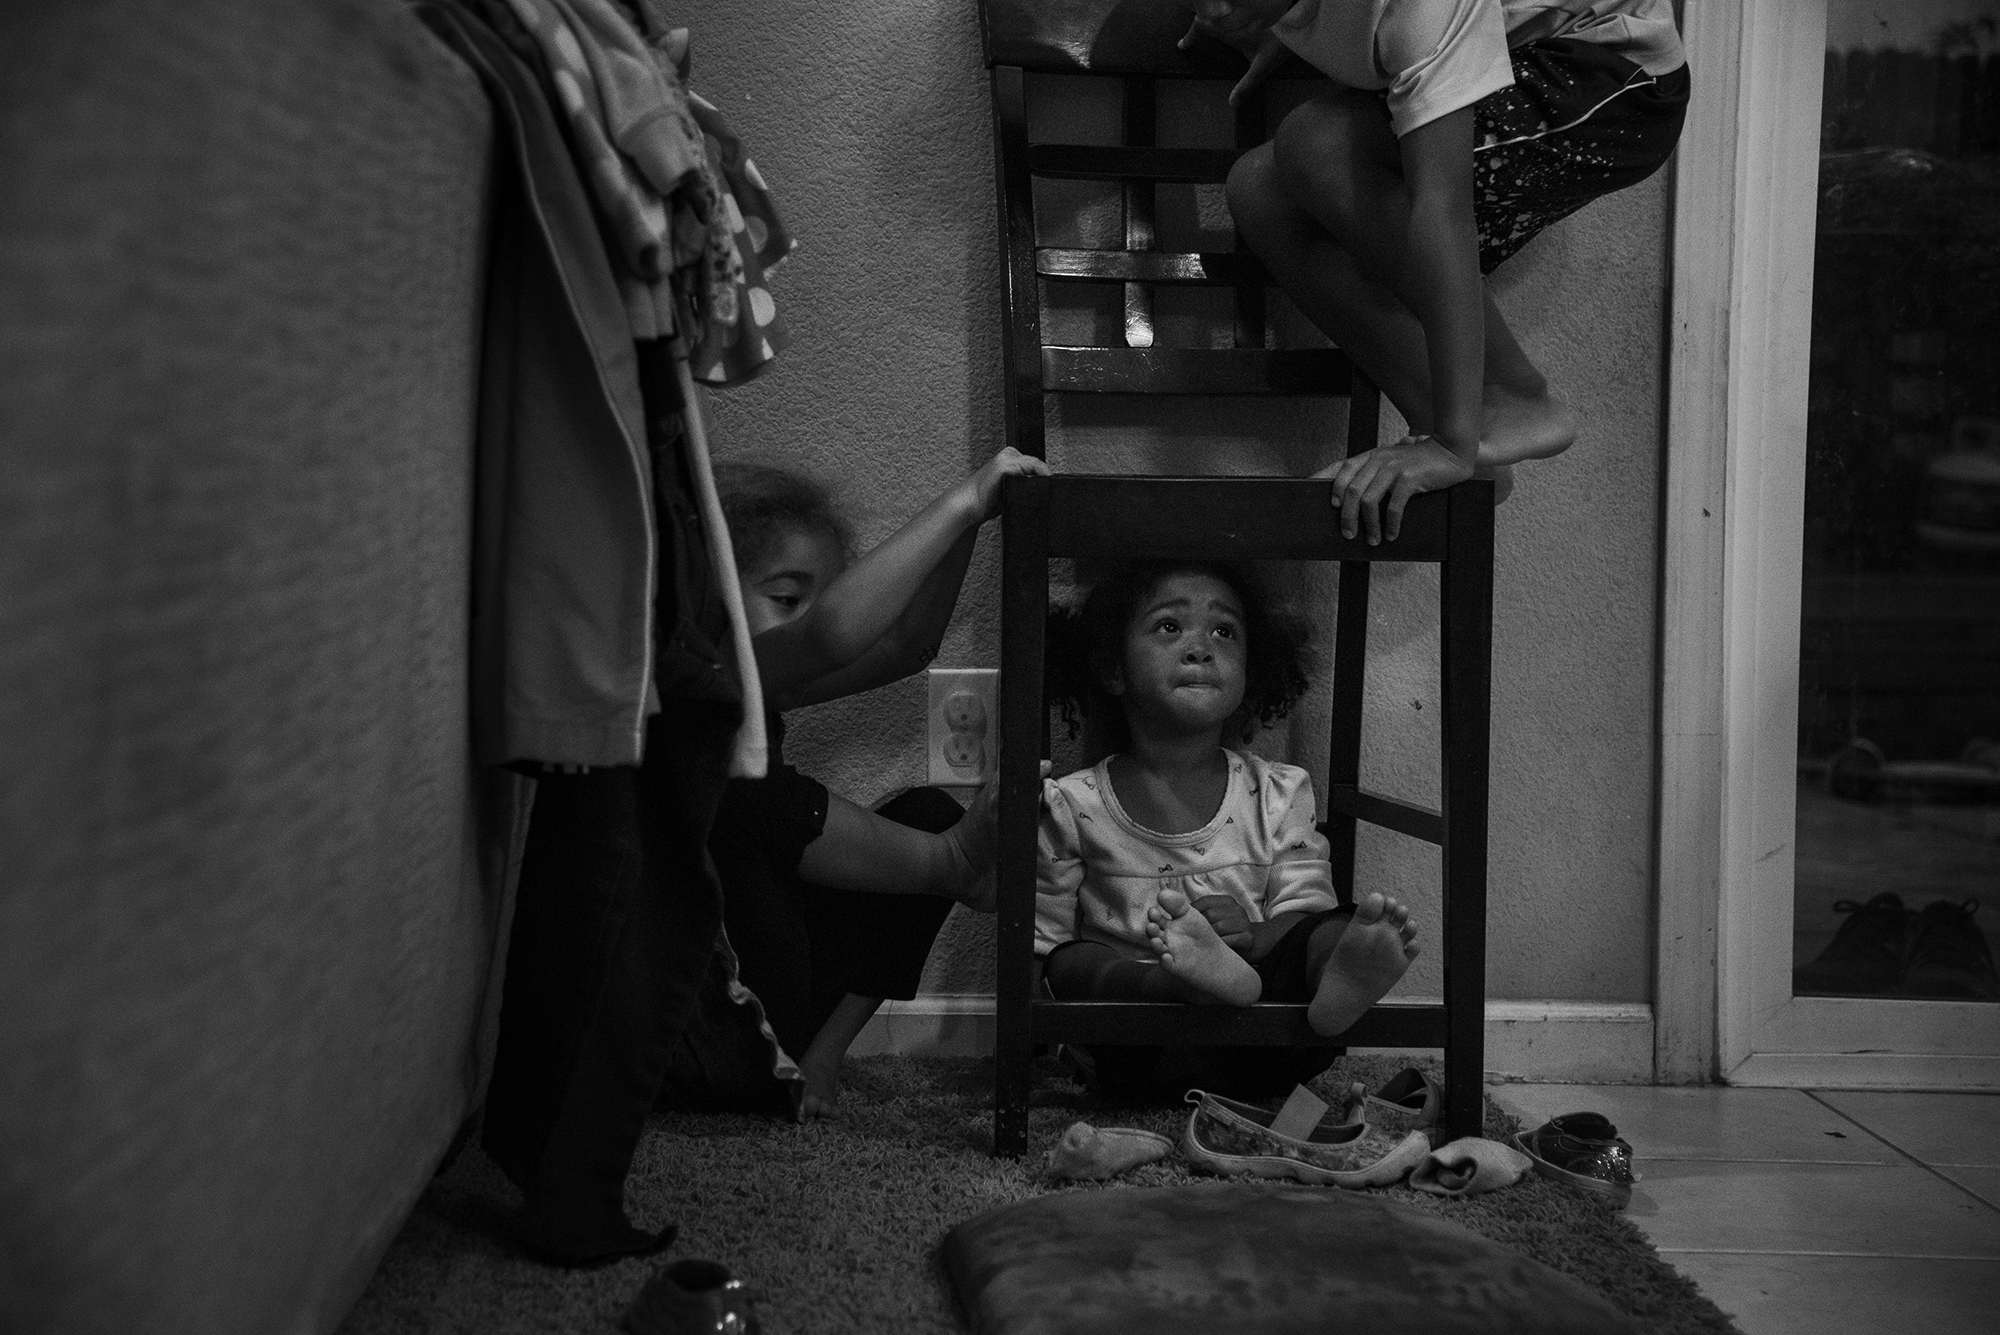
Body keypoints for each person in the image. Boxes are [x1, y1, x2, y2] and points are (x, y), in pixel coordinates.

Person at [1188, 0, 1689, 544]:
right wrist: (1284, 30)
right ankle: (1468, 436)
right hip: (1521, 53)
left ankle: (1511, 401)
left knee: (1319, 142)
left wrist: (1452, 445)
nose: (1212, 9)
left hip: (1615, 80)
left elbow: (1441, 206)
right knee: (1260, 188)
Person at [700, 447, 1047, 1118]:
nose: (811, 616)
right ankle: (951, 865)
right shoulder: (697, 681)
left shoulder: (766, 680)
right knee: (741, 785)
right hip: (706, 1025)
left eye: (823, 595)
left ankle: (821, 1055)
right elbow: (832, 635)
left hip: (780, 1007)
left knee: (929, 809)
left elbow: (901, 648)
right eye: (786, 597)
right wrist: (963, 499)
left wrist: (974, 518)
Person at [1037, 559, 1419, 1095]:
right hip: (1136, 1046)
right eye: (1169, 626)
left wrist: (1254, 934)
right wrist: (1156, 977)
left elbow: (1303, 910)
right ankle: (1173, 979)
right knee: (1068, 960)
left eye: (1224, 631)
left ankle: (1344, 976)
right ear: (1113, 668)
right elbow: (1042, 952)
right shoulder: (1070, 802)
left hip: (1262, 1039)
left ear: (1250, 671)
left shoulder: (1280, 791)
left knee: (1333, 922)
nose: (1200, 647)